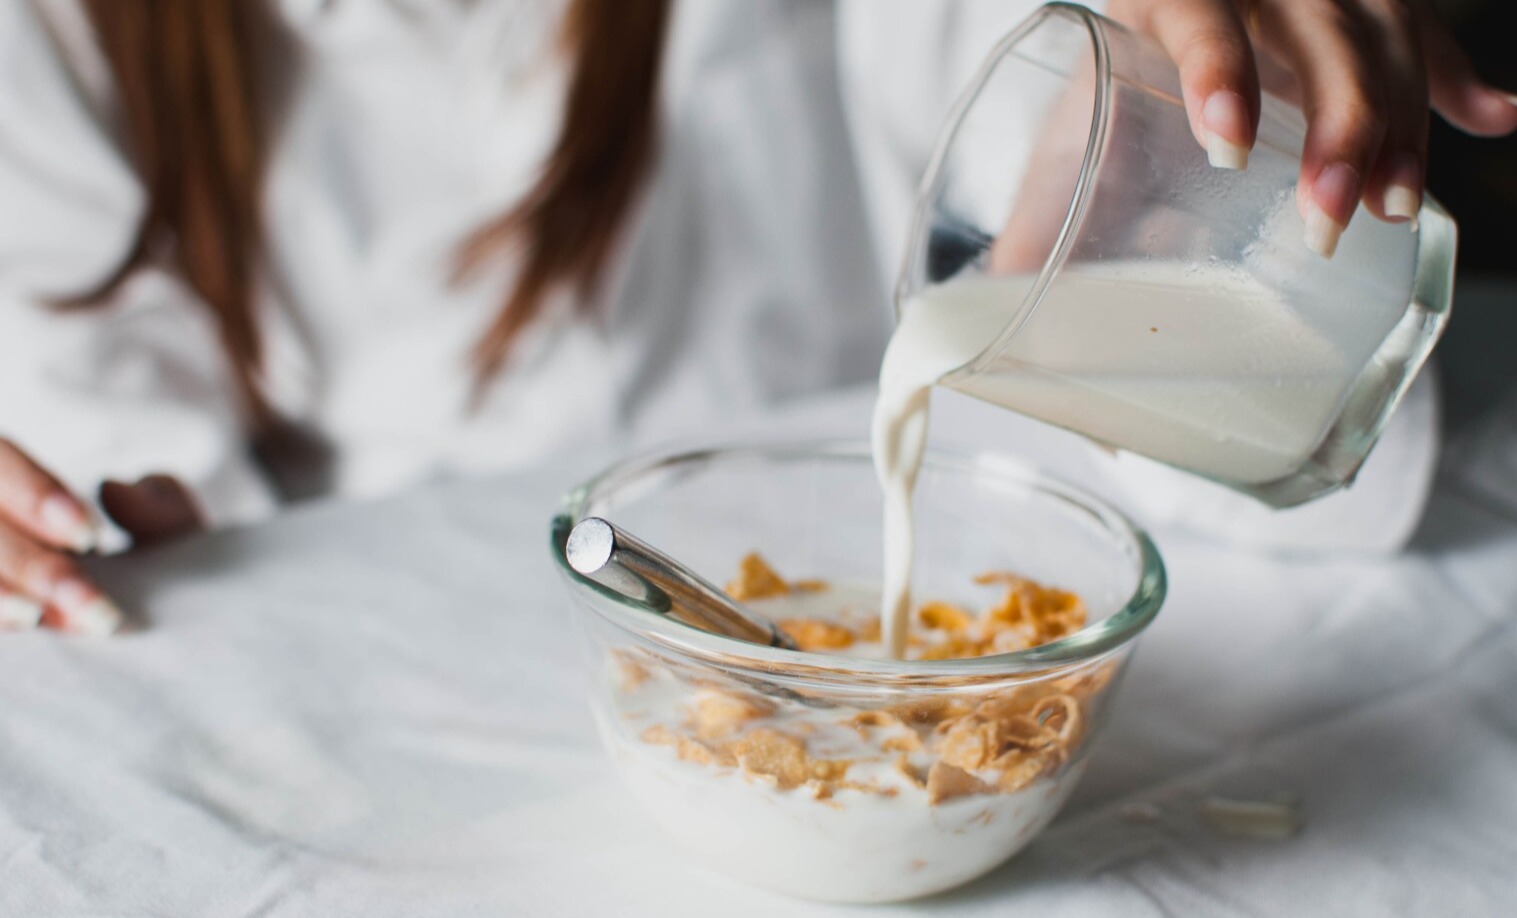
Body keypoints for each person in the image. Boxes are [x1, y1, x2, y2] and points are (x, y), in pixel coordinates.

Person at [2, 0, 1514, 637]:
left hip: (902, 575)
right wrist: (72, 531)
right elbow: (130, 509)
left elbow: (1299, 500)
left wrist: (1201, 154)